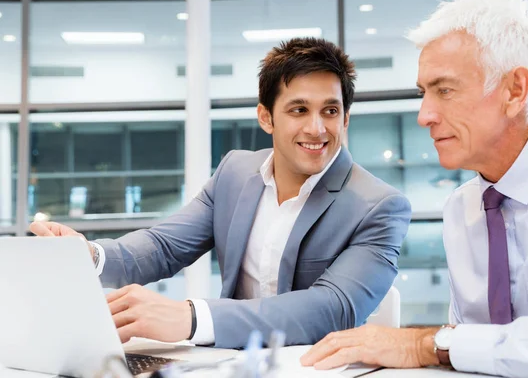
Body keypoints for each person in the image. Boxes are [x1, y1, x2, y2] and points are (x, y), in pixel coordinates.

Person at [30, 37, 411, 349]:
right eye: (298, 110)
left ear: (345, 118)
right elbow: (164, 246)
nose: (317, 128)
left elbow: (334, 309)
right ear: (266, 117)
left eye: (330, 111)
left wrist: (191, 318)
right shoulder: (235, 172)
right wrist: (91, 254)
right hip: (228, 364)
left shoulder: (379, 206)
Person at [301, 0, 528, 377]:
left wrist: (423, 344)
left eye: (445, 90)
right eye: (425, 93)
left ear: (514, 91)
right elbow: (467, 355)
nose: (424, 115)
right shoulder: (462, 209)